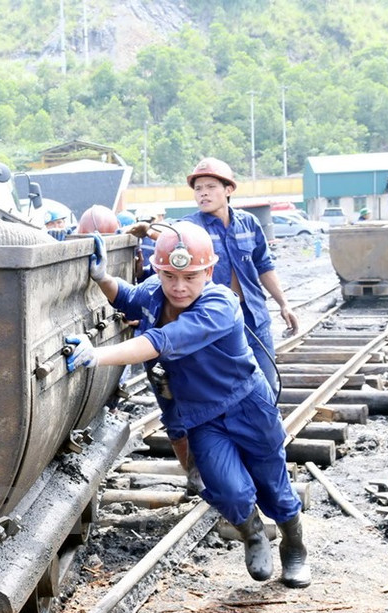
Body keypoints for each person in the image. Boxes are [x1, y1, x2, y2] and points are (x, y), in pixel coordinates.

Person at [66, 223, 310, 588]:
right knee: (226, 487)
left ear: (209, 272)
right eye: (169, 275)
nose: (179, 286)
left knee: (272, 483)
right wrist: (103, 278)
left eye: (191, 276)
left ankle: (294, 544)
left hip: (247, 405)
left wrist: (97, 355)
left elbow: (160, 341)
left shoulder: (220, 305)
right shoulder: (155, 292)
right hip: (202, 416)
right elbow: (128, 298)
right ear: (158, 270)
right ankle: (252, 532)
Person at [179, 157, 297, 395]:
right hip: (216, 321)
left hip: (255, 317)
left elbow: (264, 265)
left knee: (266, 383)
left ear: (228, 189)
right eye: (198, 189)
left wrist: (284, 304)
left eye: (211, 187)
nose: (203, 194)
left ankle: (269, 430)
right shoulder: (189, 229)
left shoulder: (249, 223)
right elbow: (166, 240)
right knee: (225, 389)